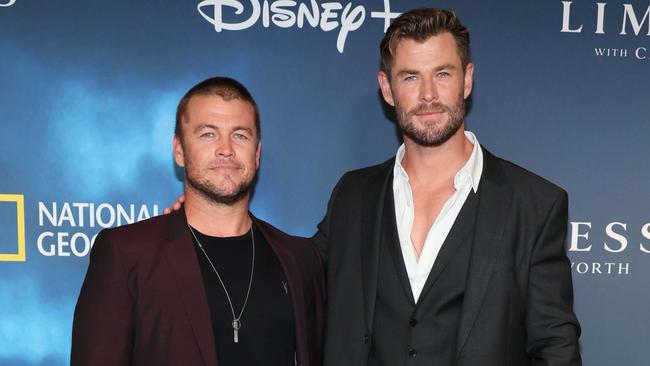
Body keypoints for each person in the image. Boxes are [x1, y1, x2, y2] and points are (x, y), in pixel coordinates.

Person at [312, 8, 581, 366]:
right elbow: (297, 288)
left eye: (442, 73)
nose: (427, 95)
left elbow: (555, 346)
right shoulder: (352, 195)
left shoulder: (534, 205)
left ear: (466, 80)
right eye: (410, 77)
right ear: (387, 88)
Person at [71, 77, 324, 366]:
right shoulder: (126, 254)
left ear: (256, 154)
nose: (226, 149)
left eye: (240, 135)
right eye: (208, 134)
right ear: (179, 150)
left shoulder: (300, 259)